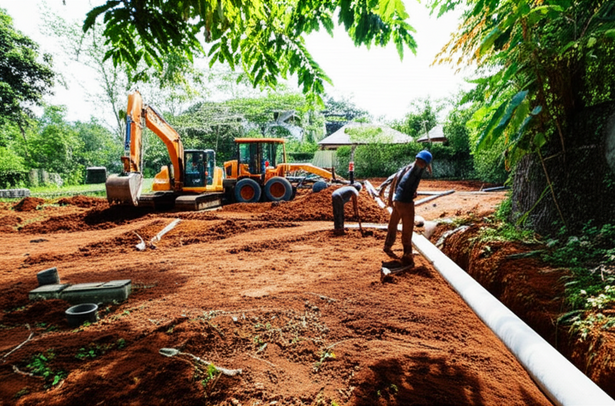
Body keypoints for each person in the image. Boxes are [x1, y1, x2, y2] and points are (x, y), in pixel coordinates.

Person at [383, 150, 433, 267]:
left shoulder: (409, 168)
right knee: (408, 228)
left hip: (398, 200)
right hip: (405, 202)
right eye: (425, 164)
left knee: (393, 223)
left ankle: (387, 245)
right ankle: (407, 254)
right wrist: (410, 194)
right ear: (424, 163)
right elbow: (408, 183)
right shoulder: (417, 170)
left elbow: (399, 179)